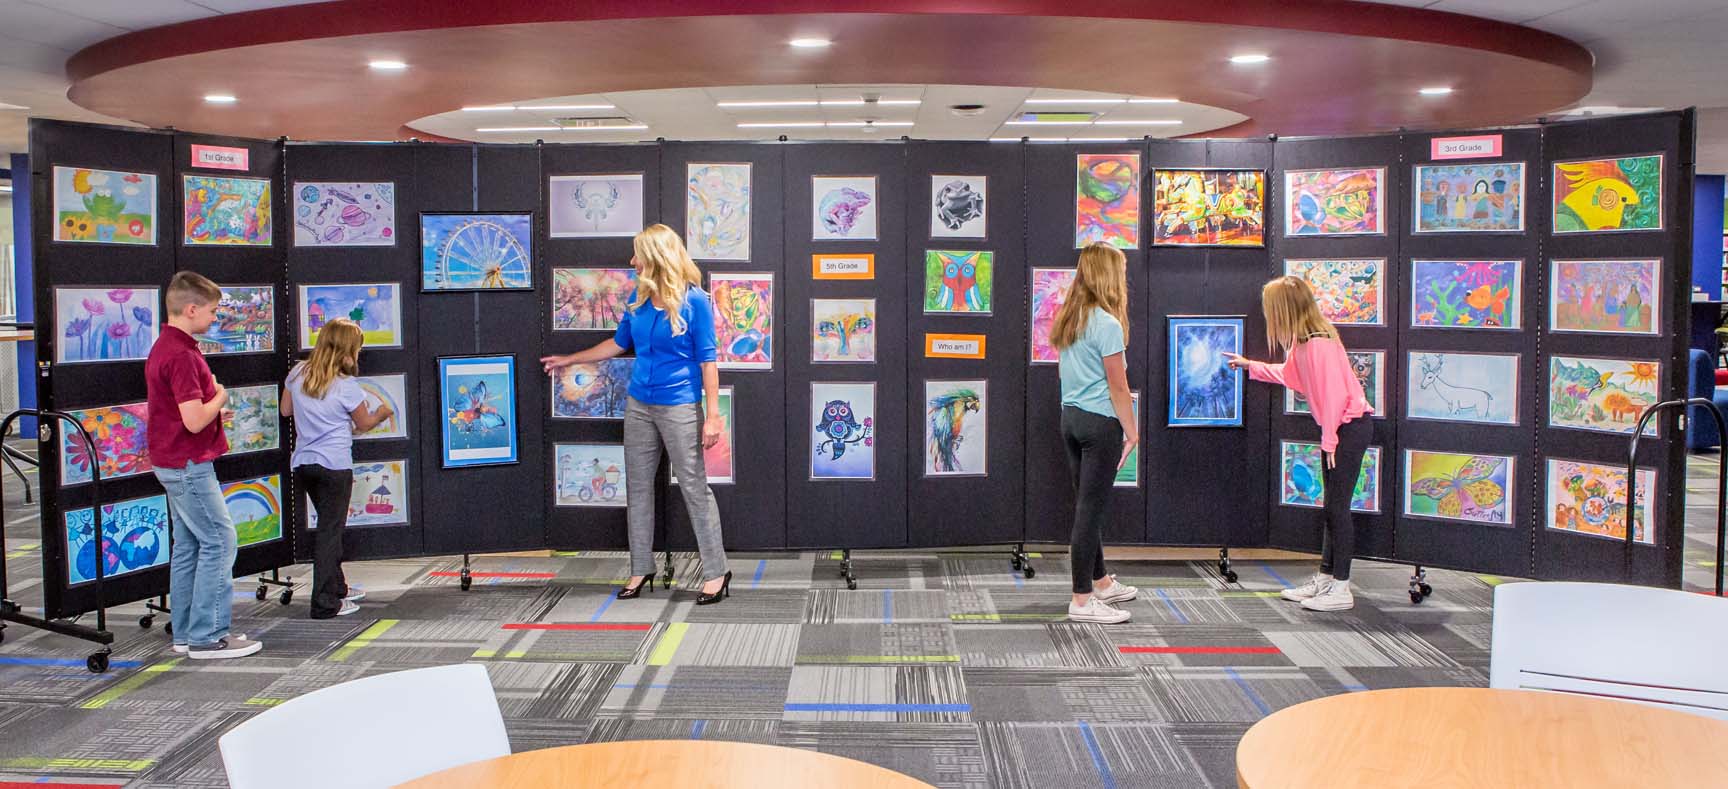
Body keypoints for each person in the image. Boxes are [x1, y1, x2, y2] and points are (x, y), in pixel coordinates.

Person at [541, 224, 731, 605]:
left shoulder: (694, 302)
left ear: (656, 258)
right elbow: (618, 343)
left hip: (680, 405)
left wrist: (713, 416)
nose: (631, 262)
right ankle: (640, 567)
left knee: (694, 488)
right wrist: (570, 359)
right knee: (639, 489)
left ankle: (716, 572)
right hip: (639, 404)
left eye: (637, 255)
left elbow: (708, 362)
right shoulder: (638, 300)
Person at [1225, 276, 1373, 612]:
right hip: (1339, 431)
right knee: (1331, 509)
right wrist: (1252, 367)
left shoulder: (1320, 344)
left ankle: (1341, 587)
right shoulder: (1304, 344)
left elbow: (1335, 396)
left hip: (1348, 429)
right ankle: (1326, 578)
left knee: (1337, 509)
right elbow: (1291, 377)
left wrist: (1330, 440)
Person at [146, 271, 262, 659]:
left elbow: (186, 414)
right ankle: (207, 635)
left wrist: (210, 410)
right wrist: (221, 397)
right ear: (191, 309)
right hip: (187, 464)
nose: (216, 318)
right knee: (220, 540)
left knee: (191, 545)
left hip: (174, 459)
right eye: (212, 311)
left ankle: (186, 633)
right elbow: (194, 419)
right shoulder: (180, 355)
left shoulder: (168, 346)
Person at [1051, 242, 1141, 624]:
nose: (1123, 277)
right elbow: (1118, 387)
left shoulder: (1069, 318)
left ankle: (1101, 582)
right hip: (1099, 423)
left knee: (1087, 506)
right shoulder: (1105, 323)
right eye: (1119, 270)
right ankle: (1082, 600)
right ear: (1108, 275)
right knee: (1089, 512)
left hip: (1070, 420)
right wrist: (1132, 431)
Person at [281, 318, 392, 619]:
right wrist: (383, 411)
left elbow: (286, 410)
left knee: (329, 529)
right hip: (335, 466)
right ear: (347, 351)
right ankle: (325, 603)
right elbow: (364, 423)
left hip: (304, 464)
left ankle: (338, 587)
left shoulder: (296, 373)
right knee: (330, 533)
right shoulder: (346, 386)